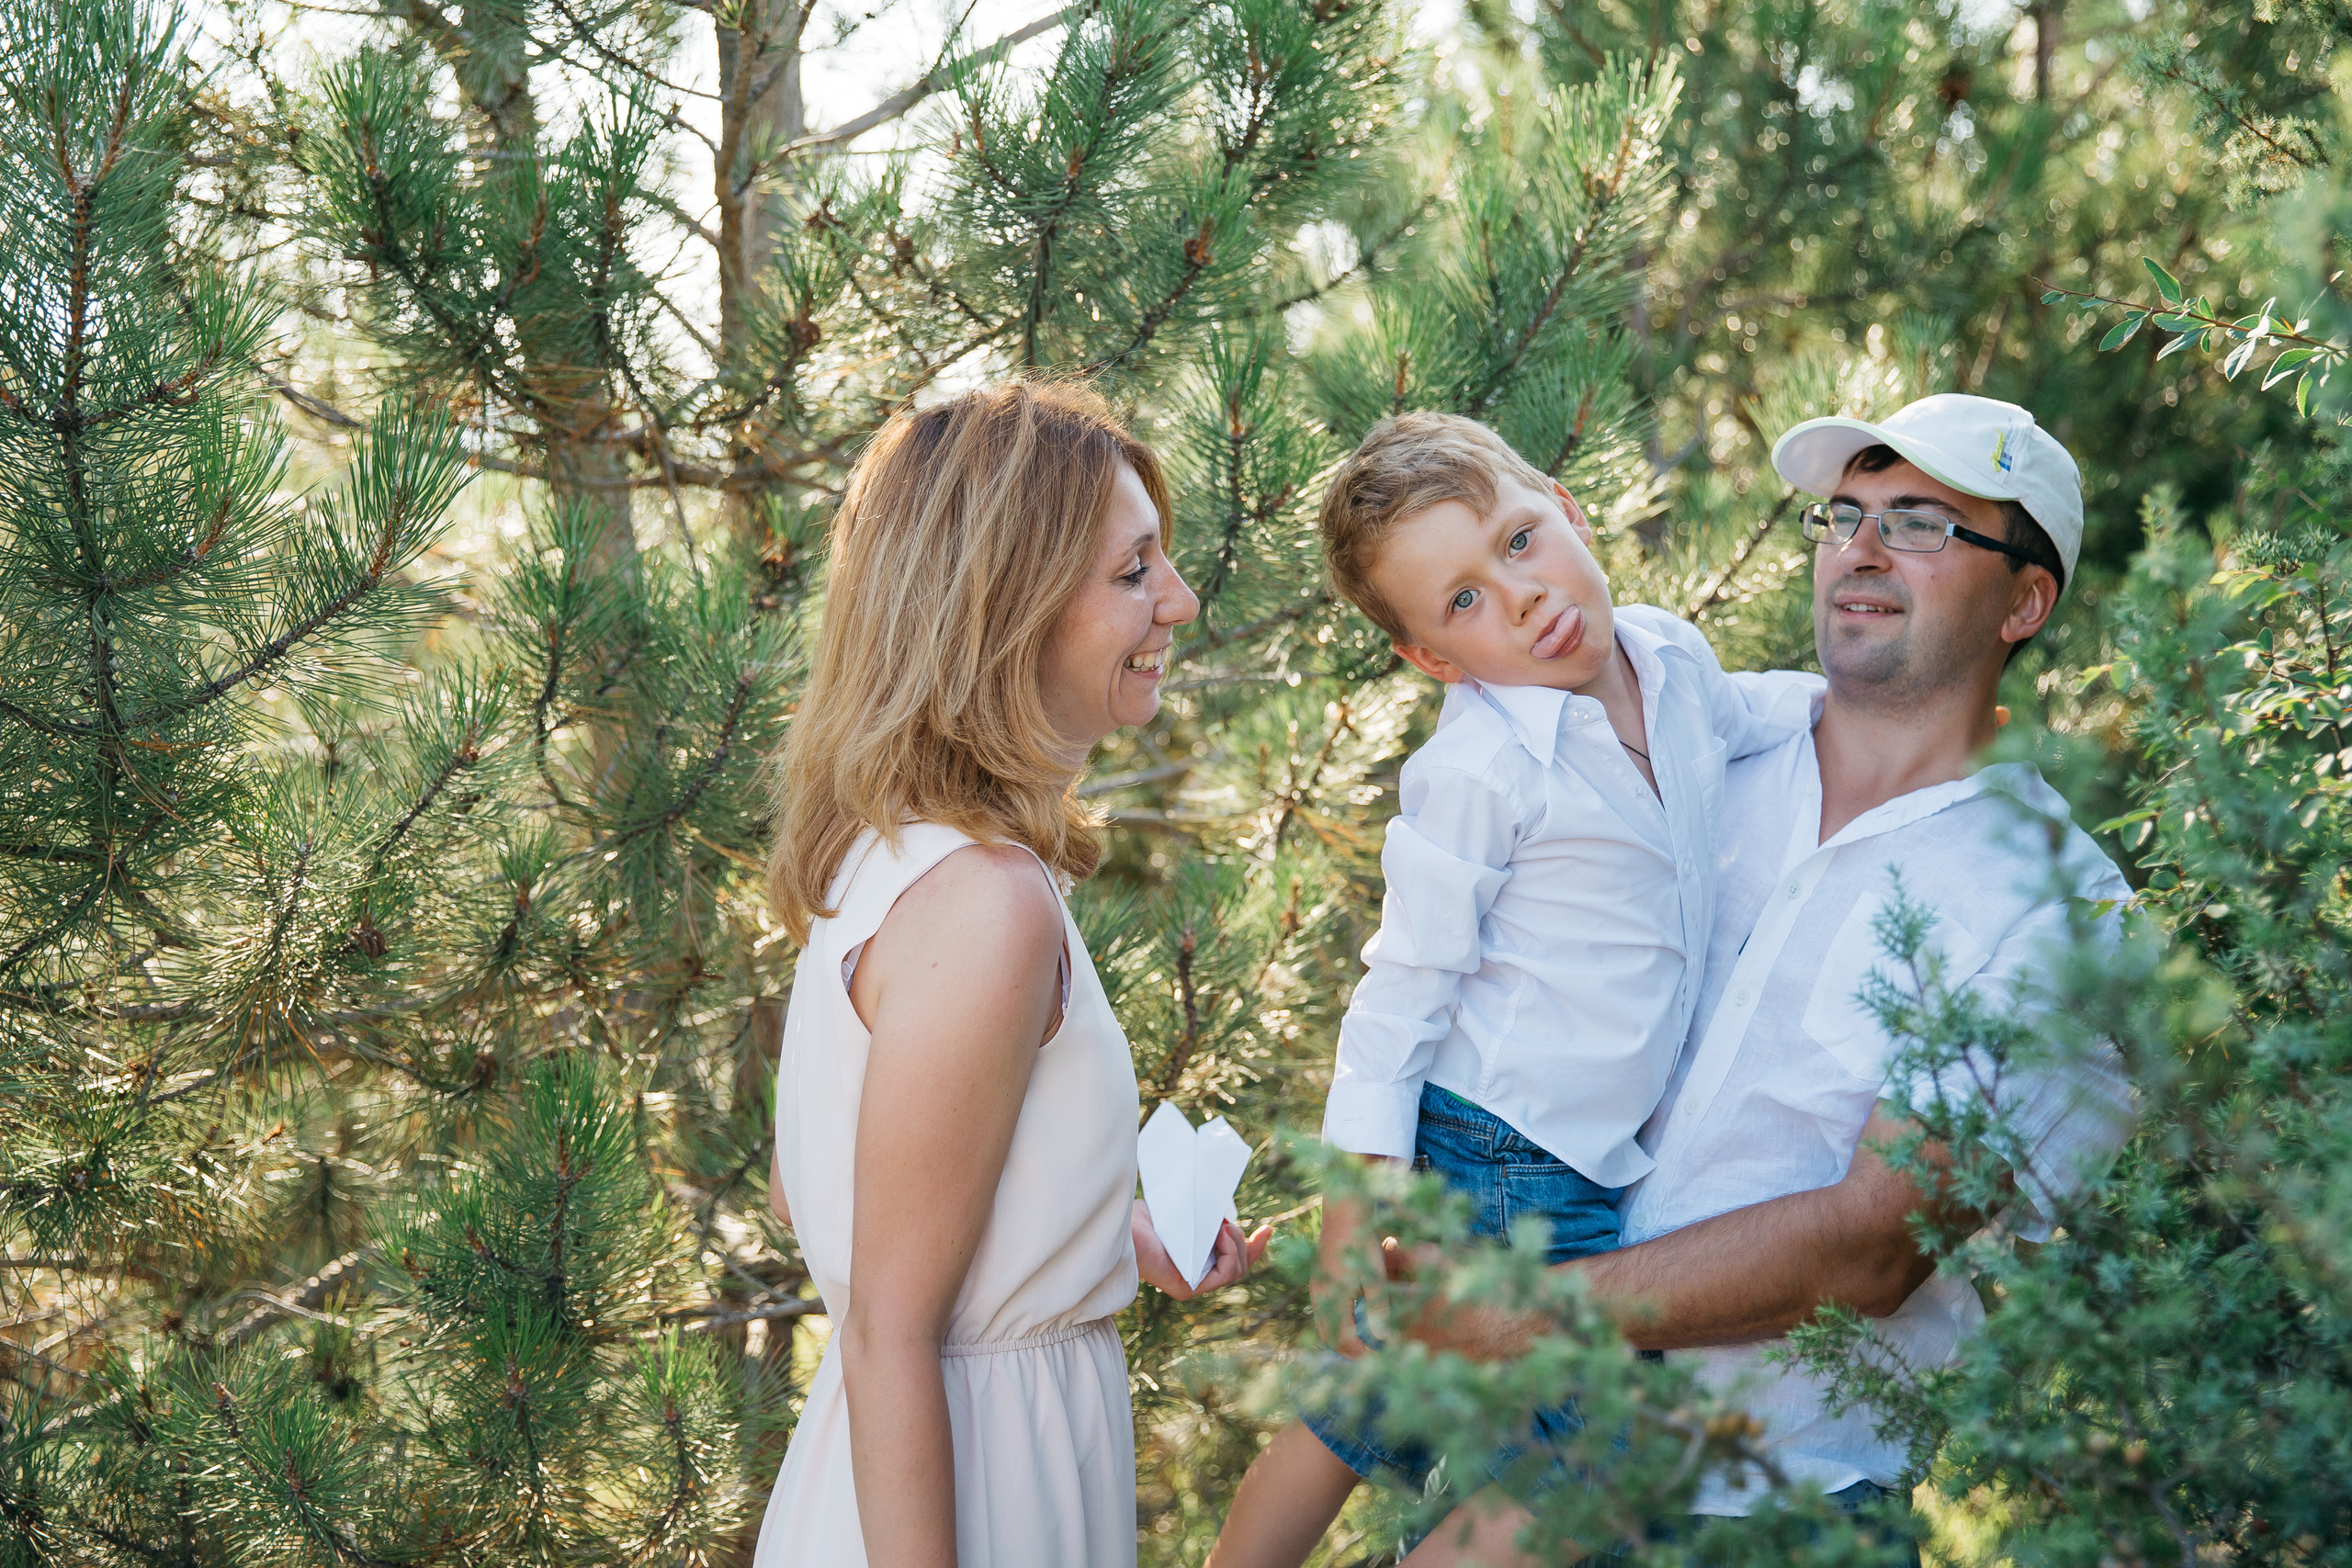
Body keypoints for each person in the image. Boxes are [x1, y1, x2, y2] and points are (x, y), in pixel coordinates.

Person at [1388, 392, 2136, 1566]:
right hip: (1518, 1464)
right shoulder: (1685, 743)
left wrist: (1529, 1317)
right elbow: (1488, 1033)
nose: (1863, 550)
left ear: (2025, 601)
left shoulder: (2053, 908)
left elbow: (1874, 1247)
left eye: (1924, 524)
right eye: (1845, 515)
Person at [1207, 413, 1815, 1568]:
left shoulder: (1672, 659)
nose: (1523, 595)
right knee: (1596, 1460)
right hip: (1511, 1152)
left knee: (1369, 1400)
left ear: (1568, 511)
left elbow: (1758, 717)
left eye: (1521, 542)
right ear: (1433, 658)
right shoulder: (1479, 768)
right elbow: (1400, 987)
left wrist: (1879, 717)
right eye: (1465, 602)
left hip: (1561, 1147)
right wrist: (1354, 1205)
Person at [753, 380, 1272, 1568]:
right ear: (1005, 611)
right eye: (1135, 569)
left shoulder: (885, 855)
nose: (1179, 600)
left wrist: (1099, 1235)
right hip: (972, 1480)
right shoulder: (984, 903)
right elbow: (888, 1322)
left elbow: (810, 1187)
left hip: (940, 1453)